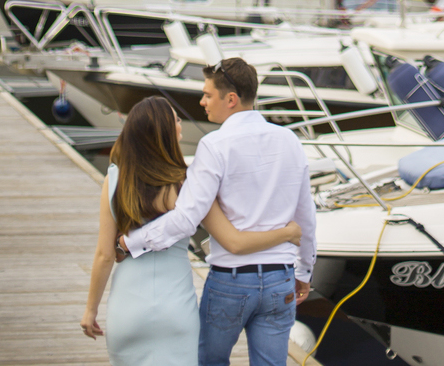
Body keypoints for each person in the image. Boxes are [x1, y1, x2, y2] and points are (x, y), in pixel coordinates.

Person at [120, 58, 317, 366]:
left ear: (231, 99)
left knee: (208, 361)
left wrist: (131, 242)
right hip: (280, 277)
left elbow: (187, 218)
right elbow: (306, 216)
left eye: (208, 95)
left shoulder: (214, 145)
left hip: (232, 281)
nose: (202, 102)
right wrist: (304, 271)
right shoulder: (289, 140)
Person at [80, 94, 303, 364]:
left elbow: (105, 255)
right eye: (176, 121)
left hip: (128, 310)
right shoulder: (188, 184)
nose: (181, 126)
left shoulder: (114, 180)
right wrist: (287, 234)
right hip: (175, 309)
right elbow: (234, 241)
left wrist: (90, 310)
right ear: (165, 132)